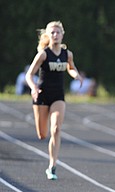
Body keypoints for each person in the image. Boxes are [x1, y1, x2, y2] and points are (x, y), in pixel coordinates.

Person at [26, 21, 83, 180]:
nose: (55, 35)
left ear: (62, 34)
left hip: (58, 96)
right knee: (42, 134)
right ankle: (51, 161)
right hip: (42, 96)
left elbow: (70, 67)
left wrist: (76, 75)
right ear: (48, 35)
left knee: (56, 129)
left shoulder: (67, 54)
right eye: (52, 32)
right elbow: (29, 75)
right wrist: (33, 88)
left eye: (58, 32)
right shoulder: (43, 54)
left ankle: (52, 165)